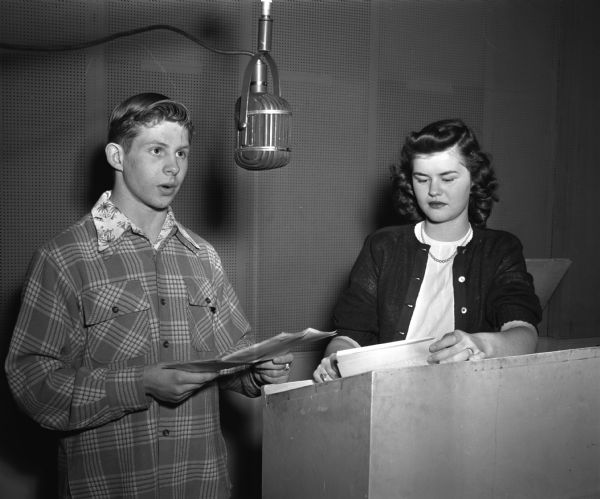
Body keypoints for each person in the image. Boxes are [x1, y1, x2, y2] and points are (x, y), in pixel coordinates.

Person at [5, 92, 293, 498]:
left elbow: (234, 354)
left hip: (200, 484)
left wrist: (256, 370)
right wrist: (138, 383)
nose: (173, 167)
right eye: (157, 150)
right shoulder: (64, 258)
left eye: (182, 153)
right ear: (117, 157)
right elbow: (30, 382)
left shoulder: (202, 256)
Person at [313, 118, 541, 382]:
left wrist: (481, 345)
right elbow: (349, 336)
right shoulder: (382, 246)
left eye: (448, 178)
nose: (434, 191)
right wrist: (334, 361)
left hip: (471, 396)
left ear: (474, 180)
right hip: (390, 395)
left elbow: (524, 333)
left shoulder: (500, 249)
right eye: (422, 179)